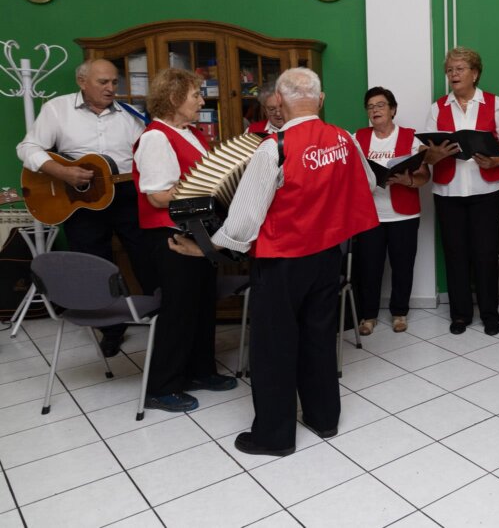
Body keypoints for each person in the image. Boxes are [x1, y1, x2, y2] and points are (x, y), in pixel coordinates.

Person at [171, 67, 378, 456]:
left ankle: (274, 435)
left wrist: (205, 248)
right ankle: (324, 418)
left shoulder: (274, 147)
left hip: (282, 260)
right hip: (326, 255)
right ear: (321, 98)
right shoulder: (345, 139)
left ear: (279, 101)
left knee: (273, 348)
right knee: (319, 338)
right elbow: (364, 184)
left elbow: (245, 221)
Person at [16, 58, 158, 357]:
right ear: (83, 82)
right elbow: (27, 148)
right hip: (78, 199)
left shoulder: (130, 115)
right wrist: (60, 171)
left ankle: (161, 318)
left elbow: (148, 153)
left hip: (126, 194)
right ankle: (111, 329)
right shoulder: (58, 109)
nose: (111, 88)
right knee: (95, 264)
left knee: (147, 254)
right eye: (103, 82)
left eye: (114, 82)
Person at [133, 67, 237, 413]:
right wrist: (210, 190)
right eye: (196, 95)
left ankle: (199, 371)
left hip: (198, 232)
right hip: (171, 236)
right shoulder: (155, 138)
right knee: (178, 310)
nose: (201, 100)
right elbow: (159, 197)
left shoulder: (191, 134)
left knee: (202, 304)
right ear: (176, 99)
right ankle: (162, 386)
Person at [423, 47, 499, 336]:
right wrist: (435, 155)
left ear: (475, 73)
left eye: (460, 68)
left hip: (486, 189)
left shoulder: (494, 103)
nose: (453, 74)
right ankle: (460, 314)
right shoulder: (438, 108)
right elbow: (425, 152)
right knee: (455, 253)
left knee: (486, 254)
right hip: (448, 191)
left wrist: (498, 160)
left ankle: (490, 314)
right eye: (450, 70)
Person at [353, 87, 429, 335]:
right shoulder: (358, 138)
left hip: (403, 214)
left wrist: (406, 181)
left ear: (393, 109)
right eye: (370, 106)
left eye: (380, 105)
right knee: (369, 267)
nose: (375, 110)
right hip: (369, 215)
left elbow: (424, 176)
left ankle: (399, 313)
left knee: (402, 265)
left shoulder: (412, 138)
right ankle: (368, 315)